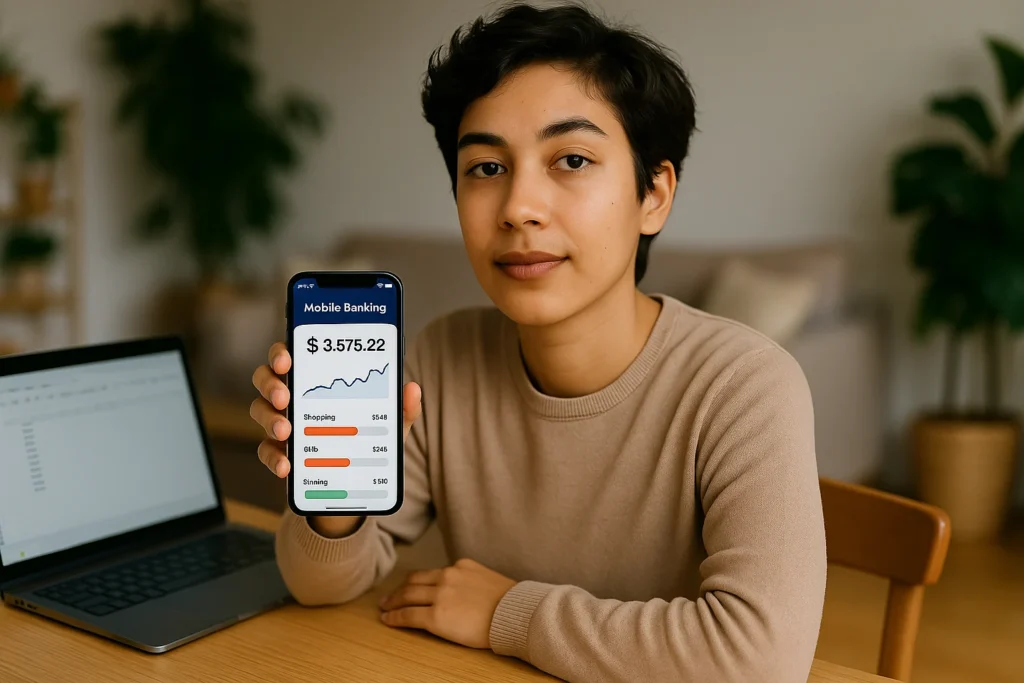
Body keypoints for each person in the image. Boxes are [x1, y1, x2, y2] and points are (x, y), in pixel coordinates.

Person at [249, 3, 827, 682]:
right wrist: (332, 502)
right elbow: (319, 586)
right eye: (486, 169)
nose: (519, 206)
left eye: (572, 159)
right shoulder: (441, 358)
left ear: (655, 194)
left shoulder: (744, 384)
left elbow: (760, 656)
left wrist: (508, 612)